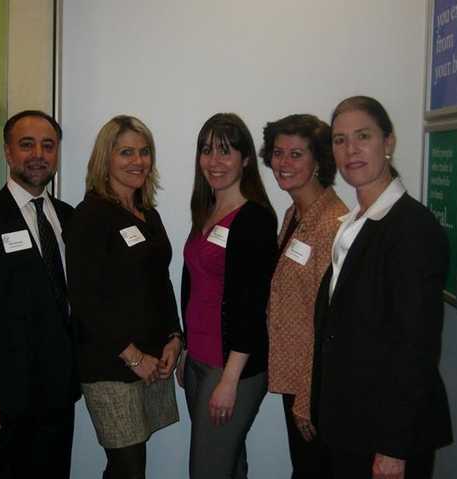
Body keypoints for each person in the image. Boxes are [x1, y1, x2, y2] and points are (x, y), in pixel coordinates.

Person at [312, 96, 452, 479]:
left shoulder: (412, 229)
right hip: (351, 425)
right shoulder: (356, 222)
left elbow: (416, 346)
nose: (351, 150)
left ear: (388, 143)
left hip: (387, 437)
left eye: (363, 136)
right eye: (340, 140)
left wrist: (393, 447)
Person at [0, 110, 80, 478]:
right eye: (27, 145)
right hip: (4, 401)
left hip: (59, 394)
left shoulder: (69, 219)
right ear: (8, 153)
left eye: (48, 145)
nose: (38, 154)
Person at [64, 115, 181, 479]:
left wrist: (175, 338)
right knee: (128, 467)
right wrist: (132, 357)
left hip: (152, 358)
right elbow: (84, 299)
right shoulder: (90, 215)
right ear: (106, 159)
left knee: (130, 467)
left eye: (144, 152)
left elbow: (161, 283)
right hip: (111, 364)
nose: (138, 161)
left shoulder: (149, 215)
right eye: (126, 152)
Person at [178, 112, 277, 479]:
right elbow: (195, 284)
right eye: (206, 151)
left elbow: (251, 304)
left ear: (245, 159)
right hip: (198, 362)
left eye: (225, 152)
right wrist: (187, 348)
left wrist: (230, 380)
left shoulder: (254, 219)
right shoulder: (204, 210)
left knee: (207, 471)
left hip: (231, 365)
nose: (214, 162)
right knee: (228, 465)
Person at [260, 114, 348, 478]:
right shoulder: (294, 214)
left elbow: (331, 324)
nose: (283, 163)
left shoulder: (334, 224)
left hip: (315, 387)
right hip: (294, 376)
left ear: (318, 162)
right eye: (278, 153)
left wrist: (307, 397)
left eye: (296, 154)